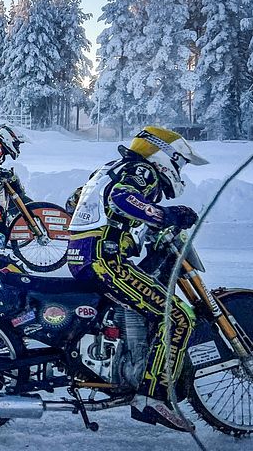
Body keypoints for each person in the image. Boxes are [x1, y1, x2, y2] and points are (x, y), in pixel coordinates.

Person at [67, 126, 208, 432]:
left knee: (138, 308)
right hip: (105, 261)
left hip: (84, 257)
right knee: (180, 317)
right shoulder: (142, 170)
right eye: (180, 162)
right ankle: (151, 396)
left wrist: (128, 235)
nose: (180, 170)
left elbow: (73, 202)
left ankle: (124, 369)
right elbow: (122, 199)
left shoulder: (108, 169)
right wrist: (166, 216)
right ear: (163, 154)